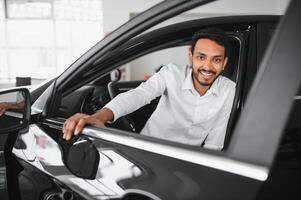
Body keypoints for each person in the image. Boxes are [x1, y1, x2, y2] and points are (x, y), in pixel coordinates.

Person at [63, 27, 236, 150]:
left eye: (216, 60)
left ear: (224, 64)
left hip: (188, 161)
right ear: (191, 56)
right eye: (201, 57)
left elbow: (215, 143)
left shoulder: (229, 90)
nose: (207, 66)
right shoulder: (171, 73)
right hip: (148, 151)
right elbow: (139, 95)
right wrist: (99, 116)